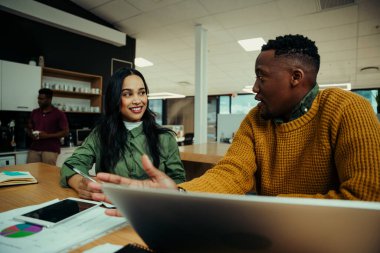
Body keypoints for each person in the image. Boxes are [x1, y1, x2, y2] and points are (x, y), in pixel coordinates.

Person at [89, 34, 380, 216]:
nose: (254, 88)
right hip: (275, 230)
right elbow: (232, 174)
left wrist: (271, 209)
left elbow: (365, 198)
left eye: (261, 77)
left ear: (296, 77)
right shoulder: (256, 120)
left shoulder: (346, 108)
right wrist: (178, 196)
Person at [60, 68, 186, 199]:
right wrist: (80, 183)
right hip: (109, 209)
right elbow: (72, 164)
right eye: (127, 94)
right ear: (114, 98)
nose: (138, 100)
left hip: (154, 209)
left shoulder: (165, 137)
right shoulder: (100, 134)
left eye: (141, 93)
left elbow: (179, 180)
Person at [27, 88, 69, 165]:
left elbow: (65, 132)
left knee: (47, 174)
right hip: (35, 148)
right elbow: (29, 127)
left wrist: (47, 136)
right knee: (30, 172)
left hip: (50, 149)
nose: (39, 101)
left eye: (42, 99)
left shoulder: (59, 114)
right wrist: (31, 133)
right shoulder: (34, 112)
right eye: (38, 98)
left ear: (49, 99)